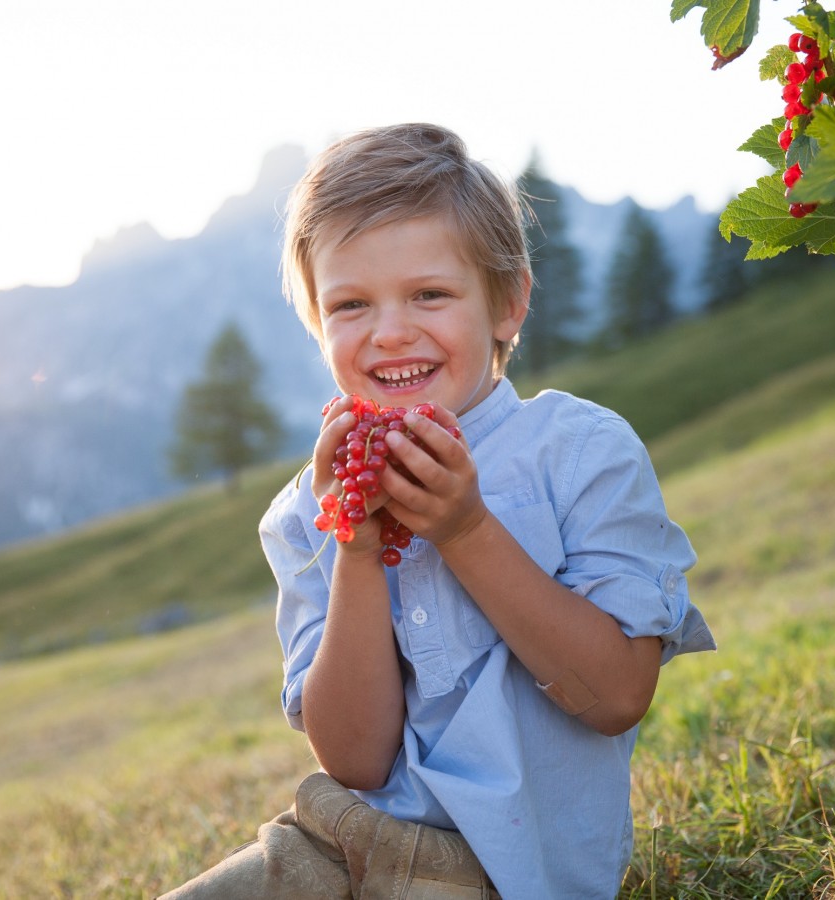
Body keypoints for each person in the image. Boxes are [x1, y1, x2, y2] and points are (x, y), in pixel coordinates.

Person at [159, 123, 714, 900]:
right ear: (319, 325)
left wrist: (466, 530)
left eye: (430, 294)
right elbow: (355, 762)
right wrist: (354, 548)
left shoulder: (580, 450)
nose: (390, 332)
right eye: (350, 304)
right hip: (340, 843)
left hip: (504, 876)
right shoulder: (306, 513)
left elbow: (619, 696)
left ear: (508, 303)